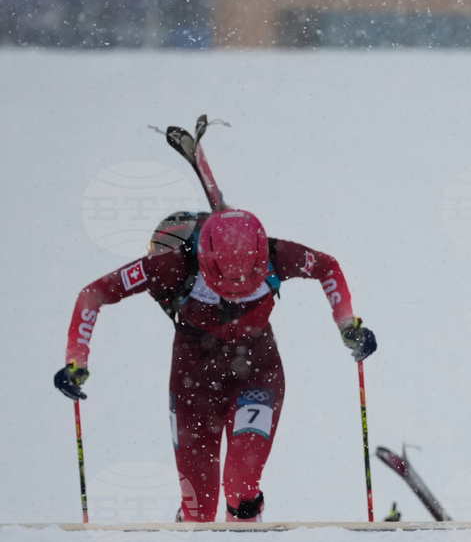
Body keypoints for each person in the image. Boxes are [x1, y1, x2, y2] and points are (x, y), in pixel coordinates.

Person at [54, 209, 377, 522]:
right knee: (200, 510)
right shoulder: (171, 265)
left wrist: (348, 325)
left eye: (249, 284)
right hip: (192, 387)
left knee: (241, 485)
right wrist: (76, 360)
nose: (236, 296)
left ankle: (245, 528)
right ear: (205, 264)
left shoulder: (277, 253)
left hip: (257, 375)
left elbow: (327, 267)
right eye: (224, 285)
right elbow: (93, 294)